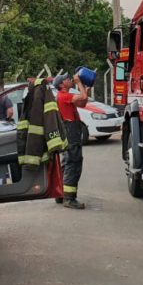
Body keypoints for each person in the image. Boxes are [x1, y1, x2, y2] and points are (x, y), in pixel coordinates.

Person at [54, 73, 88, 209]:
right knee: (73, 163)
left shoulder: (65, 96)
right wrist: (79, 83)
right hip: (70, 132)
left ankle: (60, 194)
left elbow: (83, 103)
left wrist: (83, 87)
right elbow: (84, 97)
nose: (70, 80)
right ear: (62, 85)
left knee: (67, 162)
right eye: (67, 79)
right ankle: (69, 198)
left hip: (71, 130)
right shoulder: (64, 96)